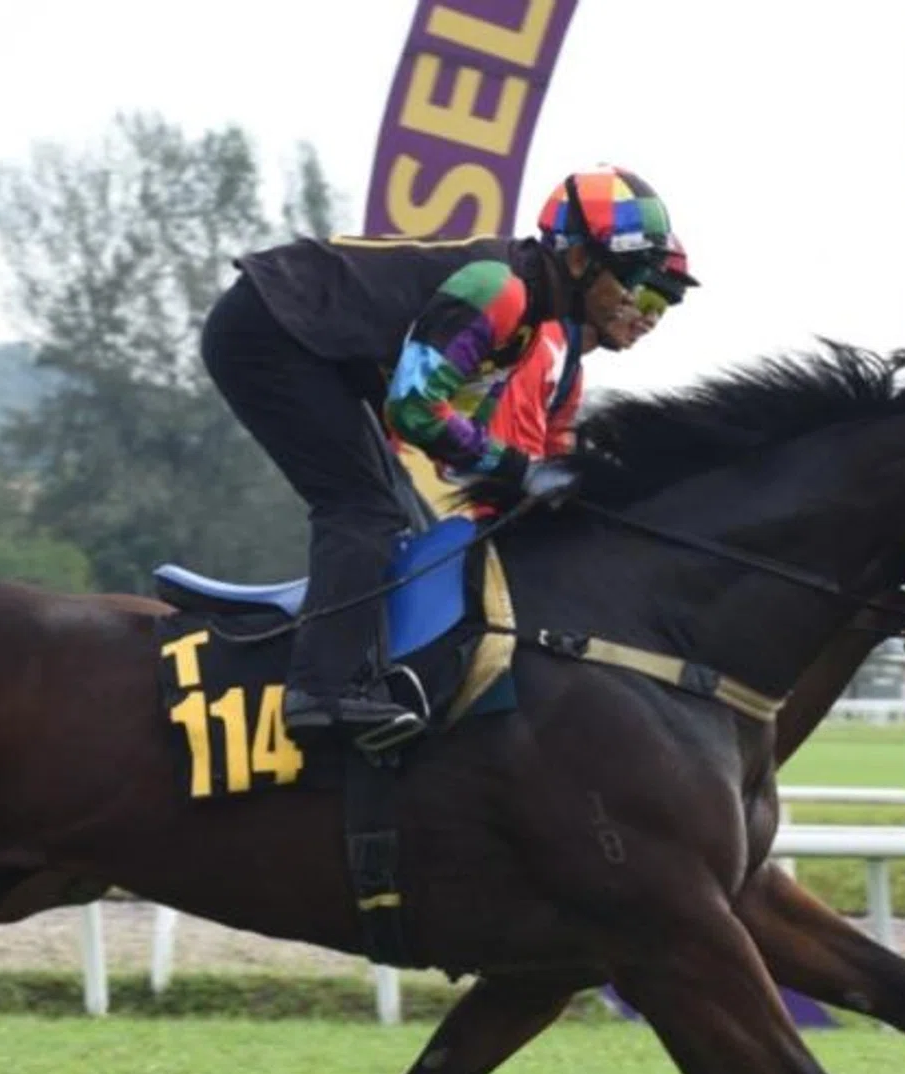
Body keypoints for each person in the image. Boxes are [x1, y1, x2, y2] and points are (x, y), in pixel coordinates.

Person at [201, 165, 697, 748]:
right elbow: (414, 409)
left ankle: (355, 671)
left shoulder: (527, 321)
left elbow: (451, 448)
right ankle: (320, 691)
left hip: (310, 342)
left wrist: (546, 488)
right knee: (363, 510)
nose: (632, 302)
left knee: (392, 511)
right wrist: (524, 472)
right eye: (630, 278)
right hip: (267, 329)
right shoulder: (502, 291)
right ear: (582, 261)